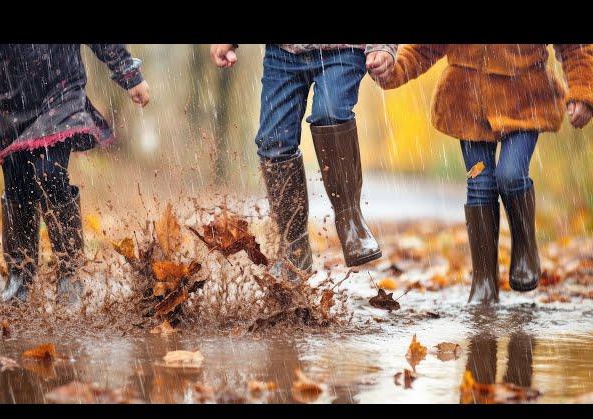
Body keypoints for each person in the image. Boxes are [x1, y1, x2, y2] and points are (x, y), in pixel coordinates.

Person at [373, 44, 593, 304]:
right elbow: (425, 48)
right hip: (467, 101)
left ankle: (525, 249)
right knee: (480, 185)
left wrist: (582, 91)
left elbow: (575, 48)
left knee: (511, 175)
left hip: (524, 98)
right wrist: (394, 70)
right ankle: (484, 283)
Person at [0, 44, 150, 308]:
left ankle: (70, 272)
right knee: (18, 186)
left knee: (50, 175)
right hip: (7, 99)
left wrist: (129, 74)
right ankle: (20, 275)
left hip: (60, 90)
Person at [210, 43, 397, 278]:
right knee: (273, 142)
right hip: (283, 54)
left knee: (330, 113)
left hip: (343, 51)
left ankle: (351, 222)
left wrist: (383, 47)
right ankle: (293, 247)